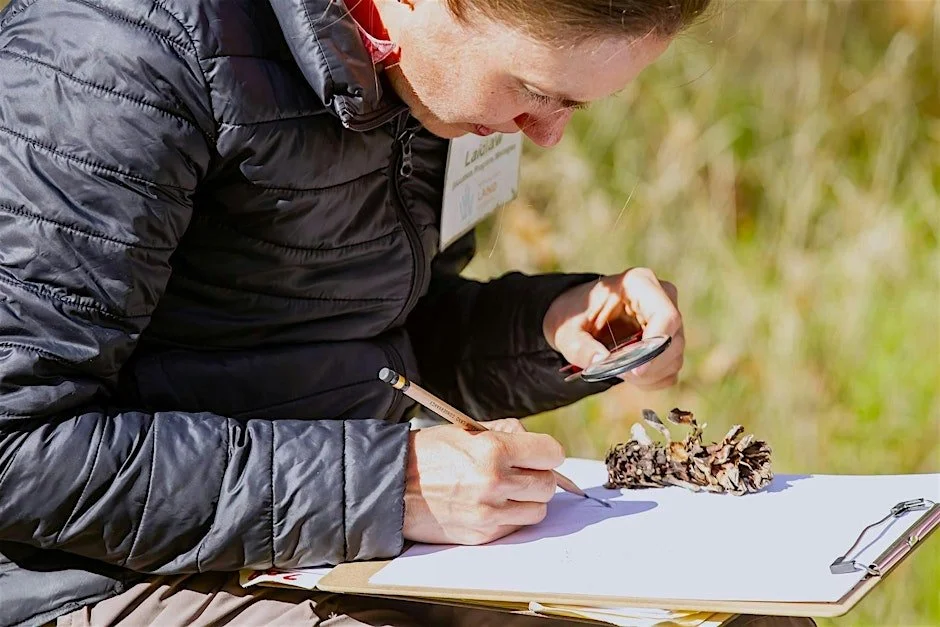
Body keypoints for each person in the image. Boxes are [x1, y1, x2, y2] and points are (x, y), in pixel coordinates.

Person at [0, 0, 815, 625]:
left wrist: (544, 327)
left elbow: (372, 336)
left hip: (337, 549)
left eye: (575, 106)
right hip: (88, 577)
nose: (549, 137)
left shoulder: (430, 83)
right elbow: (17, 444)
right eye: (535, 92)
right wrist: (388, 486)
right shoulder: (120, 49)